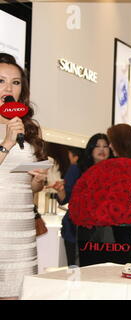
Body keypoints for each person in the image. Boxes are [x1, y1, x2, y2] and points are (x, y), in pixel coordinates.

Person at [0, 53, 47, 299]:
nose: (8, 87)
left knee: (17, 294)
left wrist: (37, 181)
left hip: (21, 227)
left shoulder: (29, 127)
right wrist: (6, 142)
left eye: (16, 82)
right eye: (1, 80)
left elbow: (28, 186)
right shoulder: (10, 132)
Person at [48, 134, 111, 266]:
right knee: (77, 270)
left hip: (105, 230)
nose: (102, 149)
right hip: (76, 229)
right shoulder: (77, 169)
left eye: (105, 146)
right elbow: (65, 199)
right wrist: (61, 191)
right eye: (97, 146)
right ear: (90, 149)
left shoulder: (113, 171)